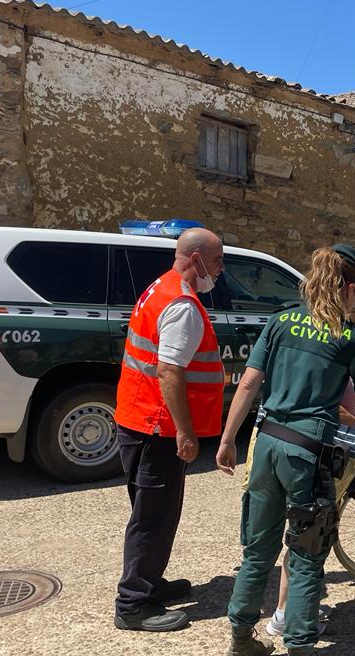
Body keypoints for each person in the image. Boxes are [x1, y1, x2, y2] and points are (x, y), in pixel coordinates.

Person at [215, 244, 355, 656]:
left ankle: (240, 644)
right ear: (351, 287)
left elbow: (249, 382)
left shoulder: (280, 322)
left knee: (256, 550)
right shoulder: (349, 338)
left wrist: (227, 438)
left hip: (267, 445)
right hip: (307, 454)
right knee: (304, 556)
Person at [112, 227, 225, 632]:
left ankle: (150, 581)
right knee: (153, 517)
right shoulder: (183, 305)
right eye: (217, 261)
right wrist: (186, 432)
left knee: (151, 512)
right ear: (196, 259)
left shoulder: (160, 287)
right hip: (156, 427)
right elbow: (169, 371)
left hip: (137, 418)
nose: (220, 269)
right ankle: (133, 604)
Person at [260, 308, 355, 639]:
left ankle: (292, 610)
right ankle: (287, 615)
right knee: (309, 537)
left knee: (306, 534)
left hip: (322, 453)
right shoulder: (339, 359)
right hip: (330, 456)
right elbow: (333, 407)